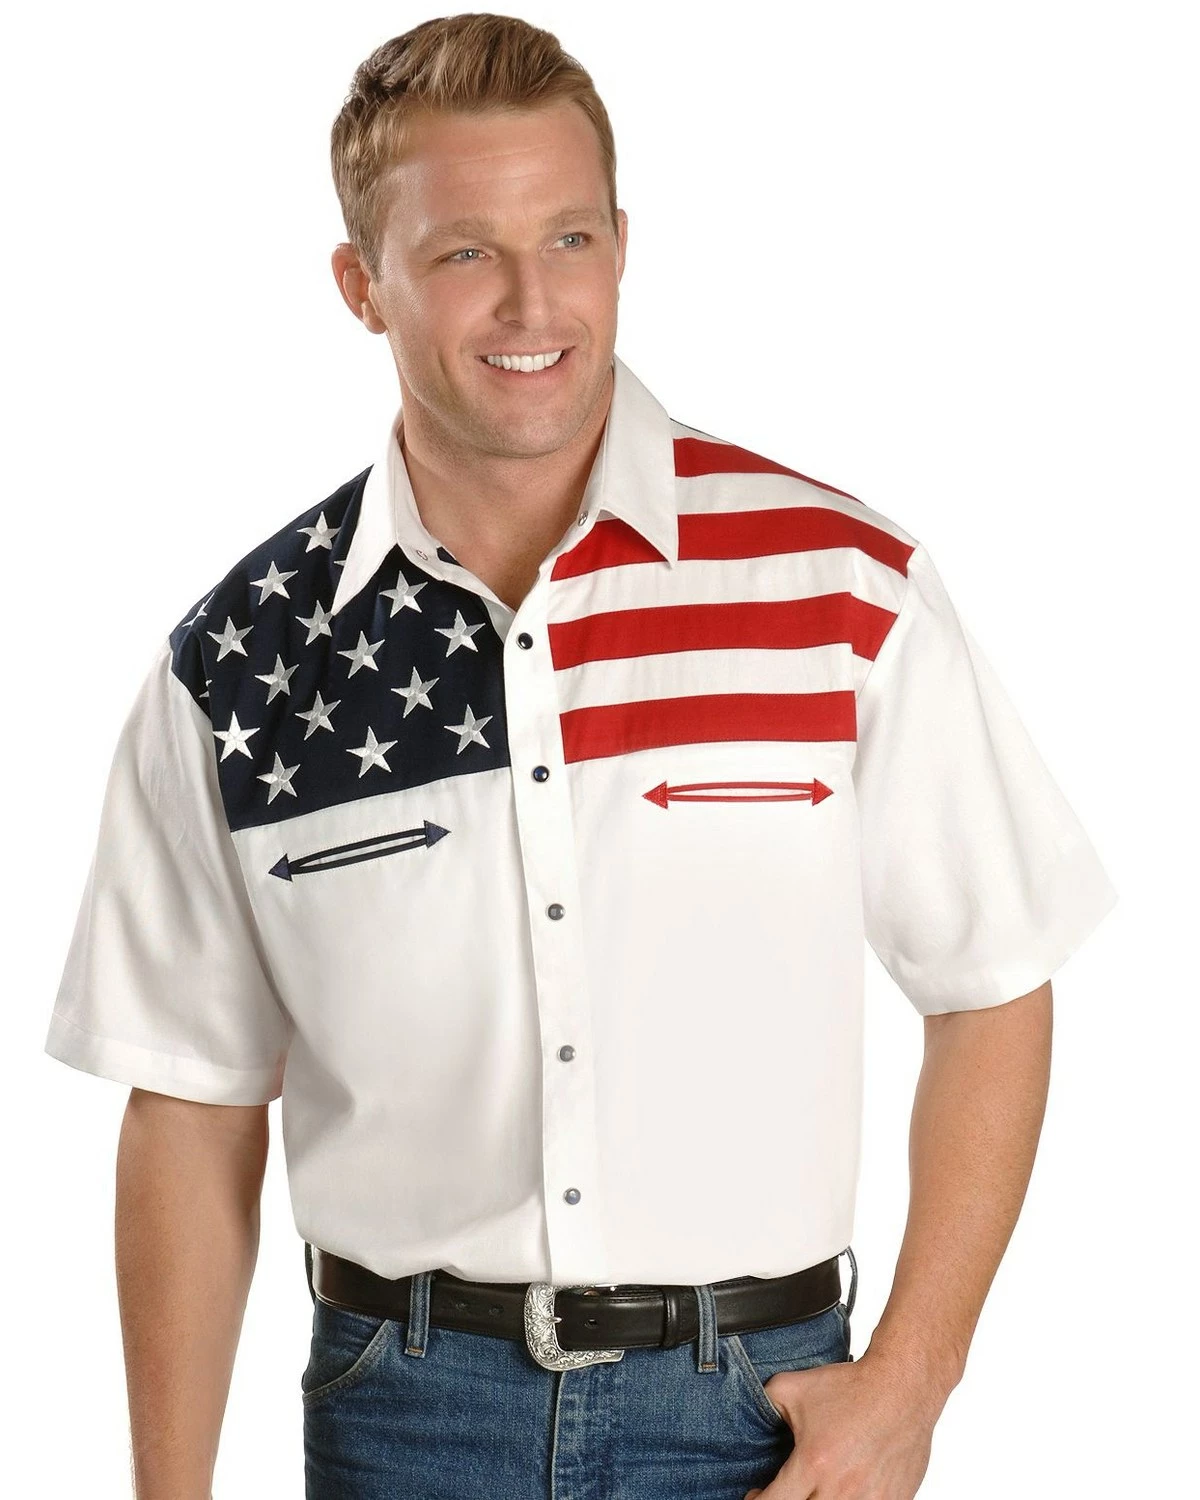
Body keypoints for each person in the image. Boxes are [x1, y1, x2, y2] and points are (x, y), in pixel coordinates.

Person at [43, 13, 1118, 1500]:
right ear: (362, 286)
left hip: (762, 1413)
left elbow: (994, 980)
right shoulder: (241, 668)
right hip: (403, 1419)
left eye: (570, 237)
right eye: (463, 252)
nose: (531, 301)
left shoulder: (836, 590)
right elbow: (190, 1106)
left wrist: (912, 1382)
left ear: (624, 245)